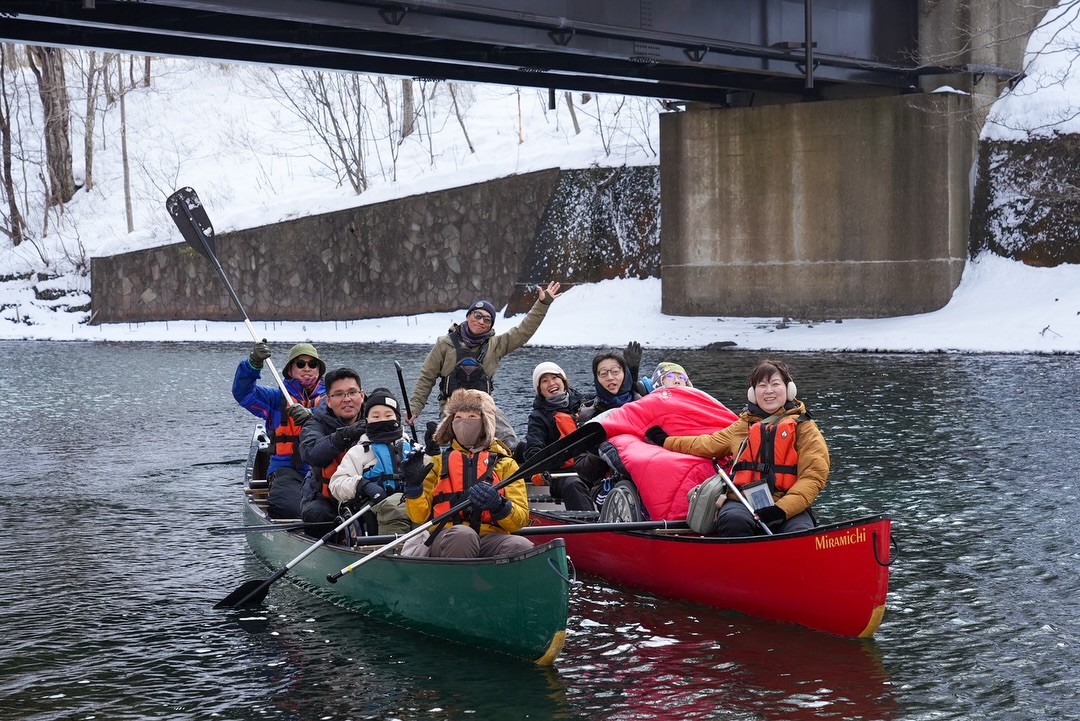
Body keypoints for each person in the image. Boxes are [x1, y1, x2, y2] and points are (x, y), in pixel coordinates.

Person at [644, 359, 830, 537]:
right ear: (753, 393)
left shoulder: (805, 428)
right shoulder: (742, 426)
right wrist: (666, 441)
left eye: (775, 384)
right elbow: (706, 444)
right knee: (734, 522)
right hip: (742, 501)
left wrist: (781, 510)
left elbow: (813, 476)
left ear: (789, 389)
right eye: (762, 386)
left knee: (799, 532)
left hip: (788, 504)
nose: (769, 391)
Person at [407, 282, 564, 446]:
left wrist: (543, 303)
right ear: (468, 316)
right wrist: (415, 408)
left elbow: (524, 331)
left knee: (508, 439)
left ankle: (517, 453)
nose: (481, 321)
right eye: (477, 315)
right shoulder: (444, 344)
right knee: (457, 438)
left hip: (484, 407)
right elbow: (427, 377)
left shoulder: (496, 345)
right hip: (452, 408)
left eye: (487, 319)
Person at [402, 389, 533, 558]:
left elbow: (519, 521)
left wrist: (499, 505)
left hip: (489, 537)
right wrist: (414, 489)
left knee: (522, 545)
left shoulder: (506, 464)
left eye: (472, 416)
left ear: (485, 422)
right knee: (463, 536)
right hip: (446, 536)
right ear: (450, 423)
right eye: (458, 417)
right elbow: (418, 517)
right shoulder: (437, 463)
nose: (464, 422)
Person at [232, 340, 325, 519]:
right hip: (286, 472)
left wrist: (311, 414)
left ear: (319, 370)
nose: (307, 368)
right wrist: (253, 364)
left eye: (312, 364)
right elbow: (243, 393)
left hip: (323, 471)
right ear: (290, 370)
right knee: (291, 509)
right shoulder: (275, 399)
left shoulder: (331, 399)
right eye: (300, 364)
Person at [328, 388, 416, 536]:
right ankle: (394, 547)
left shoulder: (414, 448)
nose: (382, 420)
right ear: (367, 420)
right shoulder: (358, 452)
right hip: (375, 507)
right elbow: (336, 485)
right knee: (394, 507)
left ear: (397, 418)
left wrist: (432, 454)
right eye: (376, 416)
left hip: (414, 501)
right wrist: (361, 485)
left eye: (388, 415)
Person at [298, 367, 366, 533]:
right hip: (325, 498)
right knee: (317, 515)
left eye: (352, 392)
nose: (347, 399)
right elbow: (310, 452)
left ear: (362, 396)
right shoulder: (315, 424)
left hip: (366, 494)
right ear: (328, 400)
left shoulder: (376, 418)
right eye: (339, 394)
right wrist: (345, 435)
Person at [522, 361, 594, 511]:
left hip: (592, 466)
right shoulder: (538, 417)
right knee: (573, 484)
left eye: (555, 378)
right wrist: (537, 469)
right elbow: (533, 447)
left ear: (563, 381)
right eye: (544, 381)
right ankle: (588, 524)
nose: (551, 383)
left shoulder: (587, 402)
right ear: (539, 390)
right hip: (561, 475)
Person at [574, 343, 647, 493]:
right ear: (596, 378)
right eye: (603, 374)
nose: (610, 378)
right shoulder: (588, 415)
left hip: (647, 474)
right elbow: (584, 470)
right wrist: (601, 446)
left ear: (624, 374)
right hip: (609, 486)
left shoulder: (645, 403)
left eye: (615, 371)